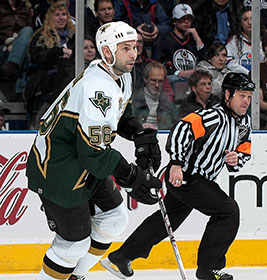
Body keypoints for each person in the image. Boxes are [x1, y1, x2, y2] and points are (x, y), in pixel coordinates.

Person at [26, 21, 162, 280]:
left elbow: (120, 112)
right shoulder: (96, 88)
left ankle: (75, 276)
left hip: (82, 162)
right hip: (58, 169)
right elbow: (94, 153)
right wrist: (132, 176)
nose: (134, 54)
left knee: (114, 220)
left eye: (134, 47)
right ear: (108, 52)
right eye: (125, 48)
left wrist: (138, 133)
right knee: (72, 244)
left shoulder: (120, 74)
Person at [100, 72, 255, 280]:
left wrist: (237, 159)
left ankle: (121, 257)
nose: (246, 101)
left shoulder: (243, 124)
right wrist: (176, 163)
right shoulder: (213, 117)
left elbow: (244, 150)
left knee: (164, 223)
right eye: (242, 95)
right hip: (188, 178)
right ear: (228, 95)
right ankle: (209, 268)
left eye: (249, 96)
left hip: (198, 181)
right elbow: (182, 129)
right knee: (228, 211)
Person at [23, 1, 75, 130]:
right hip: (45, 85)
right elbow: (36, 57)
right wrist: (59, 52)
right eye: (57, 15)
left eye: (64, 14)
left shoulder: (76, 36)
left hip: (69, 85)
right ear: (49, 17)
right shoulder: (41, 35)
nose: (61, 18)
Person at [151, 4, 206, 97]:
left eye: (189, 18)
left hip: (194, 80)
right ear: (174, 21)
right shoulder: (164, 40)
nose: (186, 21)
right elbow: (158, 65)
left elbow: (204, 61)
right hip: (173, 79)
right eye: (182, 18)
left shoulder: (193, 39)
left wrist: (197, 38)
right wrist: (180, 73)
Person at [132, 61, 178, 130]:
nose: (157, 85)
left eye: (160, 81)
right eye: (153, 80)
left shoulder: (168, 102)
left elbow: (177, 124)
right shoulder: (134, 99)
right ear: (145, 79)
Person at [132, 31, 174, 102]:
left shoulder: (154, 65)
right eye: (134, 42)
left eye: (139, 42)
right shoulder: (122, 67)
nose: (137, 45)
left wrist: (166, 106)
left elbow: (168, 91)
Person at [0, 0, 33, 83]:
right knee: (23, 53)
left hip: (21, 41)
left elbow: (31, 30)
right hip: (3, 46)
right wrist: (6, 40)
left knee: (27, 30)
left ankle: (12, 65)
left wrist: (17, 41)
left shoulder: (25, 7)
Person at [226, 6, 265, 74]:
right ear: (240, 22)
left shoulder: (264, 40)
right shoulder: (233, 41)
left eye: (252, 19)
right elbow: (229, 62)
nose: (249, 22)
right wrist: (247, 73)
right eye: (245, 19)